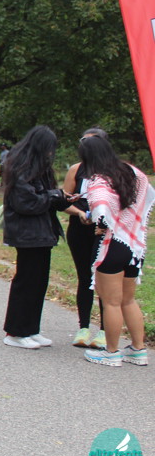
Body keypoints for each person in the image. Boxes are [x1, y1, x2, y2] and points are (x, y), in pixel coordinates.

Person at [78, 135, 153, 367]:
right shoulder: (134, 173)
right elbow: (147, 197)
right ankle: (138, 350)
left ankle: (111, 352)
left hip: (112, 245)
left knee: (110, 301)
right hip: (134, 245)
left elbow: (101, 208)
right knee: (128, 300)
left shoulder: (99, 180)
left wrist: (98, 220)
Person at [0, 125, 73, 349]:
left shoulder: (40, 168)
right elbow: (26, 203)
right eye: (49, 148)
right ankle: (15, 332)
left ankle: (31, 329)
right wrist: (53, 196)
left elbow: (45, 197)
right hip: (27, 233)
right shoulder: (20, 168)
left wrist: (62, 198)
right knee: (26, 281)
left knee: (39, 282)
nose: (51, 152)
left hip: (43, 232)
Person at [61, 128, 107, 349]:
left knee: (104, 279)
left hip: (104, 232)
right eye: (83, 142)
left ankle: (105, 330)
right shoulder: (76, 170)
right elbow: (63, 201)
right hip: (80, 228)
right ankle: (84, 327)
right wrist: (79, 212)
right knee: (84, 277)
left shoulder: (112, 170)